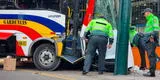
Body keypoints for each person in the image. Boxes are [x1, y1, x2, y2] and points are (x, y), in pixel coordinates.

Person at [141, 8, 160, 77]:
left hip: (151, 39)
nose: (144, 15)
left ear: (148, 12)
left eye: (144, 13)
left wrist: (152, 36)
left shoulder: (154, 18)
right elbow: (148, 31)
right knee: (151, 55)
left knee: (151, 56)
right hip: (148, 40)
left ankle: (152, 72)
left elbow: (156, 28)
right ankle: (156, 58)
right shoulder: (149, 20)